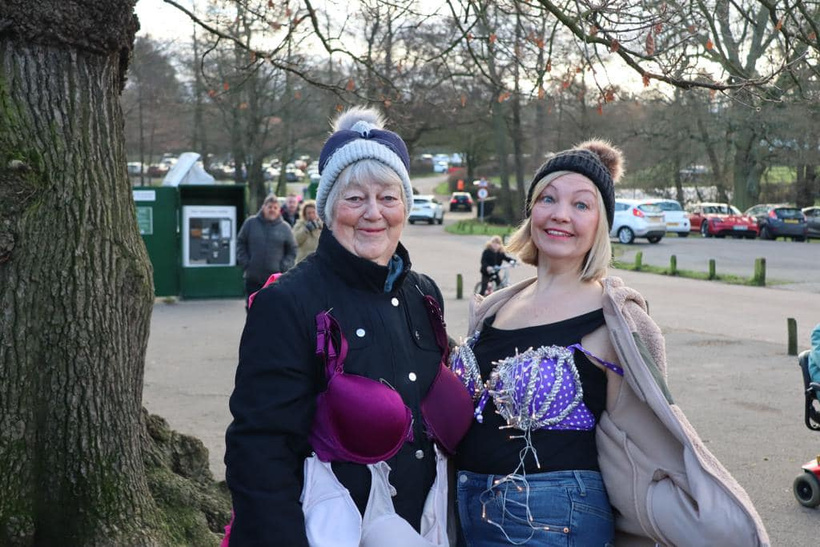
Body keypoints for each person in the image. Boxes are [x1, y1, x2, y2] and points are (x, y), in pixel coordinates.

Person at [450, 141, 769, 546]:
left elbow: (648, 437)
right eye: (548, 198)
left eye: (581, 205)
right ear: (531, 211)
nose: (561, 214)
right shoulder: (496, 308)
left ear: (602, 223)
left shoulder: (615, 319)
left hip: (553, 519)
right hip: (465, 510)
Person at [224, 106, 474, 546]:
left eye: (388, 198)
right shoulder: (288, 303)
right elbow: (259, 451)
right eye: (355, 198)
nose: (373, 213)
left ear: (406, 207)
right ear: (326, 208)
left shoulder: (424, 296)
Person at [236, 194, 297, 305]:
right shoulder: (250, 223)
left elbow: (292, 250)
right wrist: (246, 263)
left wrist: (284, 267)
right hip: (253, 278)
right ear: (263, 207)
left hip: (275, 280)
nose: (272, 210)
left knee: (272, 311)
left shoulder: (285, 228)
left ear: (279, 210)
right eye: (269, 207)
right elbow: (240, 242)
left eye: (275, 208)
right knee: (253, 309)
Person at [292, 199, 322, 263]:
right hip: (303, 261)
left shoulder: (322, 225)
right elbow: (295, 241)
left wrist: (320, 227)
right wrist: (306, 230)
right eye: (309, 213)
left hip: (319, 261)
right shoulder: (300, 225)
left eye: (313, 212)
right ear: (304, 214)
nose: (311, 215)